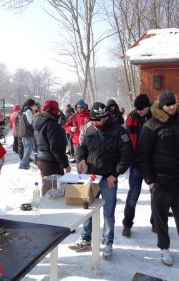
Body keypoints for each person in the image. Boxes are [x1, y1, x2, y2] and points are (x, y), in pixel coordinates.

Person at [138, 90, 179, 266]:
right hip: (161, 180)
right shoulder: (151, 125)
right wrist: (150, 180)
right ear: (161, 106)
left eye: (173, 104)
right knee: (160, 216)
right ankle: (164, 248)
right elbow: (144, 154)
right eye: (168, 105)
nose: (172, 107)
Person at [68, 102, 132, 260]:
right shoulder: (89, 128)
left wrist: (115, 174)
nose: (95, 123)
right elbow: (81, 147)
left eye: (99, 120)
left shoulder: (119, 131)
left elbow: (127, 155)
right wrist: (81, 159)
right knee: (87, 208)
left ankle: (107, 242)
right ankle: (86, 238)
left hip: (109, 177)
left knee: (108, 212)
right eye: (93, 120)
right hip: (91, 176)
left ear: (106, 117)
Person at [122, 93, 152, 237]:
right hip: (137, 162)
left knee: (156, 195)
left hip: (153, 162)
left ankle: (156, 223)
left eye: (142, 109)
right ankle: (127, 224)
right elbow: (129, 140)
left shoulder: (155, 116)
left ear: (148, 107)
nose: (139, 111)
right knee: (133, 193)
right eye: (137, 109)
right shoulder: (131, 117)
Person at [33, 100, 71, 195]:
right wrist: (65, 164)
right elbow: (56, 147)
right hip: (51, 162)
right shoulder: (52, 125)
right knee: (55, 191)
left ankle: (46, 206)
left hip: (42, 159)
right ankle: (51, 208)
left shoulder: (39, 121)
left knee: (47, 187)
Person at [18, 99, 36, 169]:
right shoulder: (28, 111)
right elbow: (31, 122)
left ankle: (26, 163)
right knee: (28, 149)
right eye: (34, 105)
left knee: (26, 149)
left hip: (23, 133)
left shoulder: (23, 110)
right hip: (27, 133)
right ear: (31, 105)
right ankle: (23, 165)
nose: (34, 106)